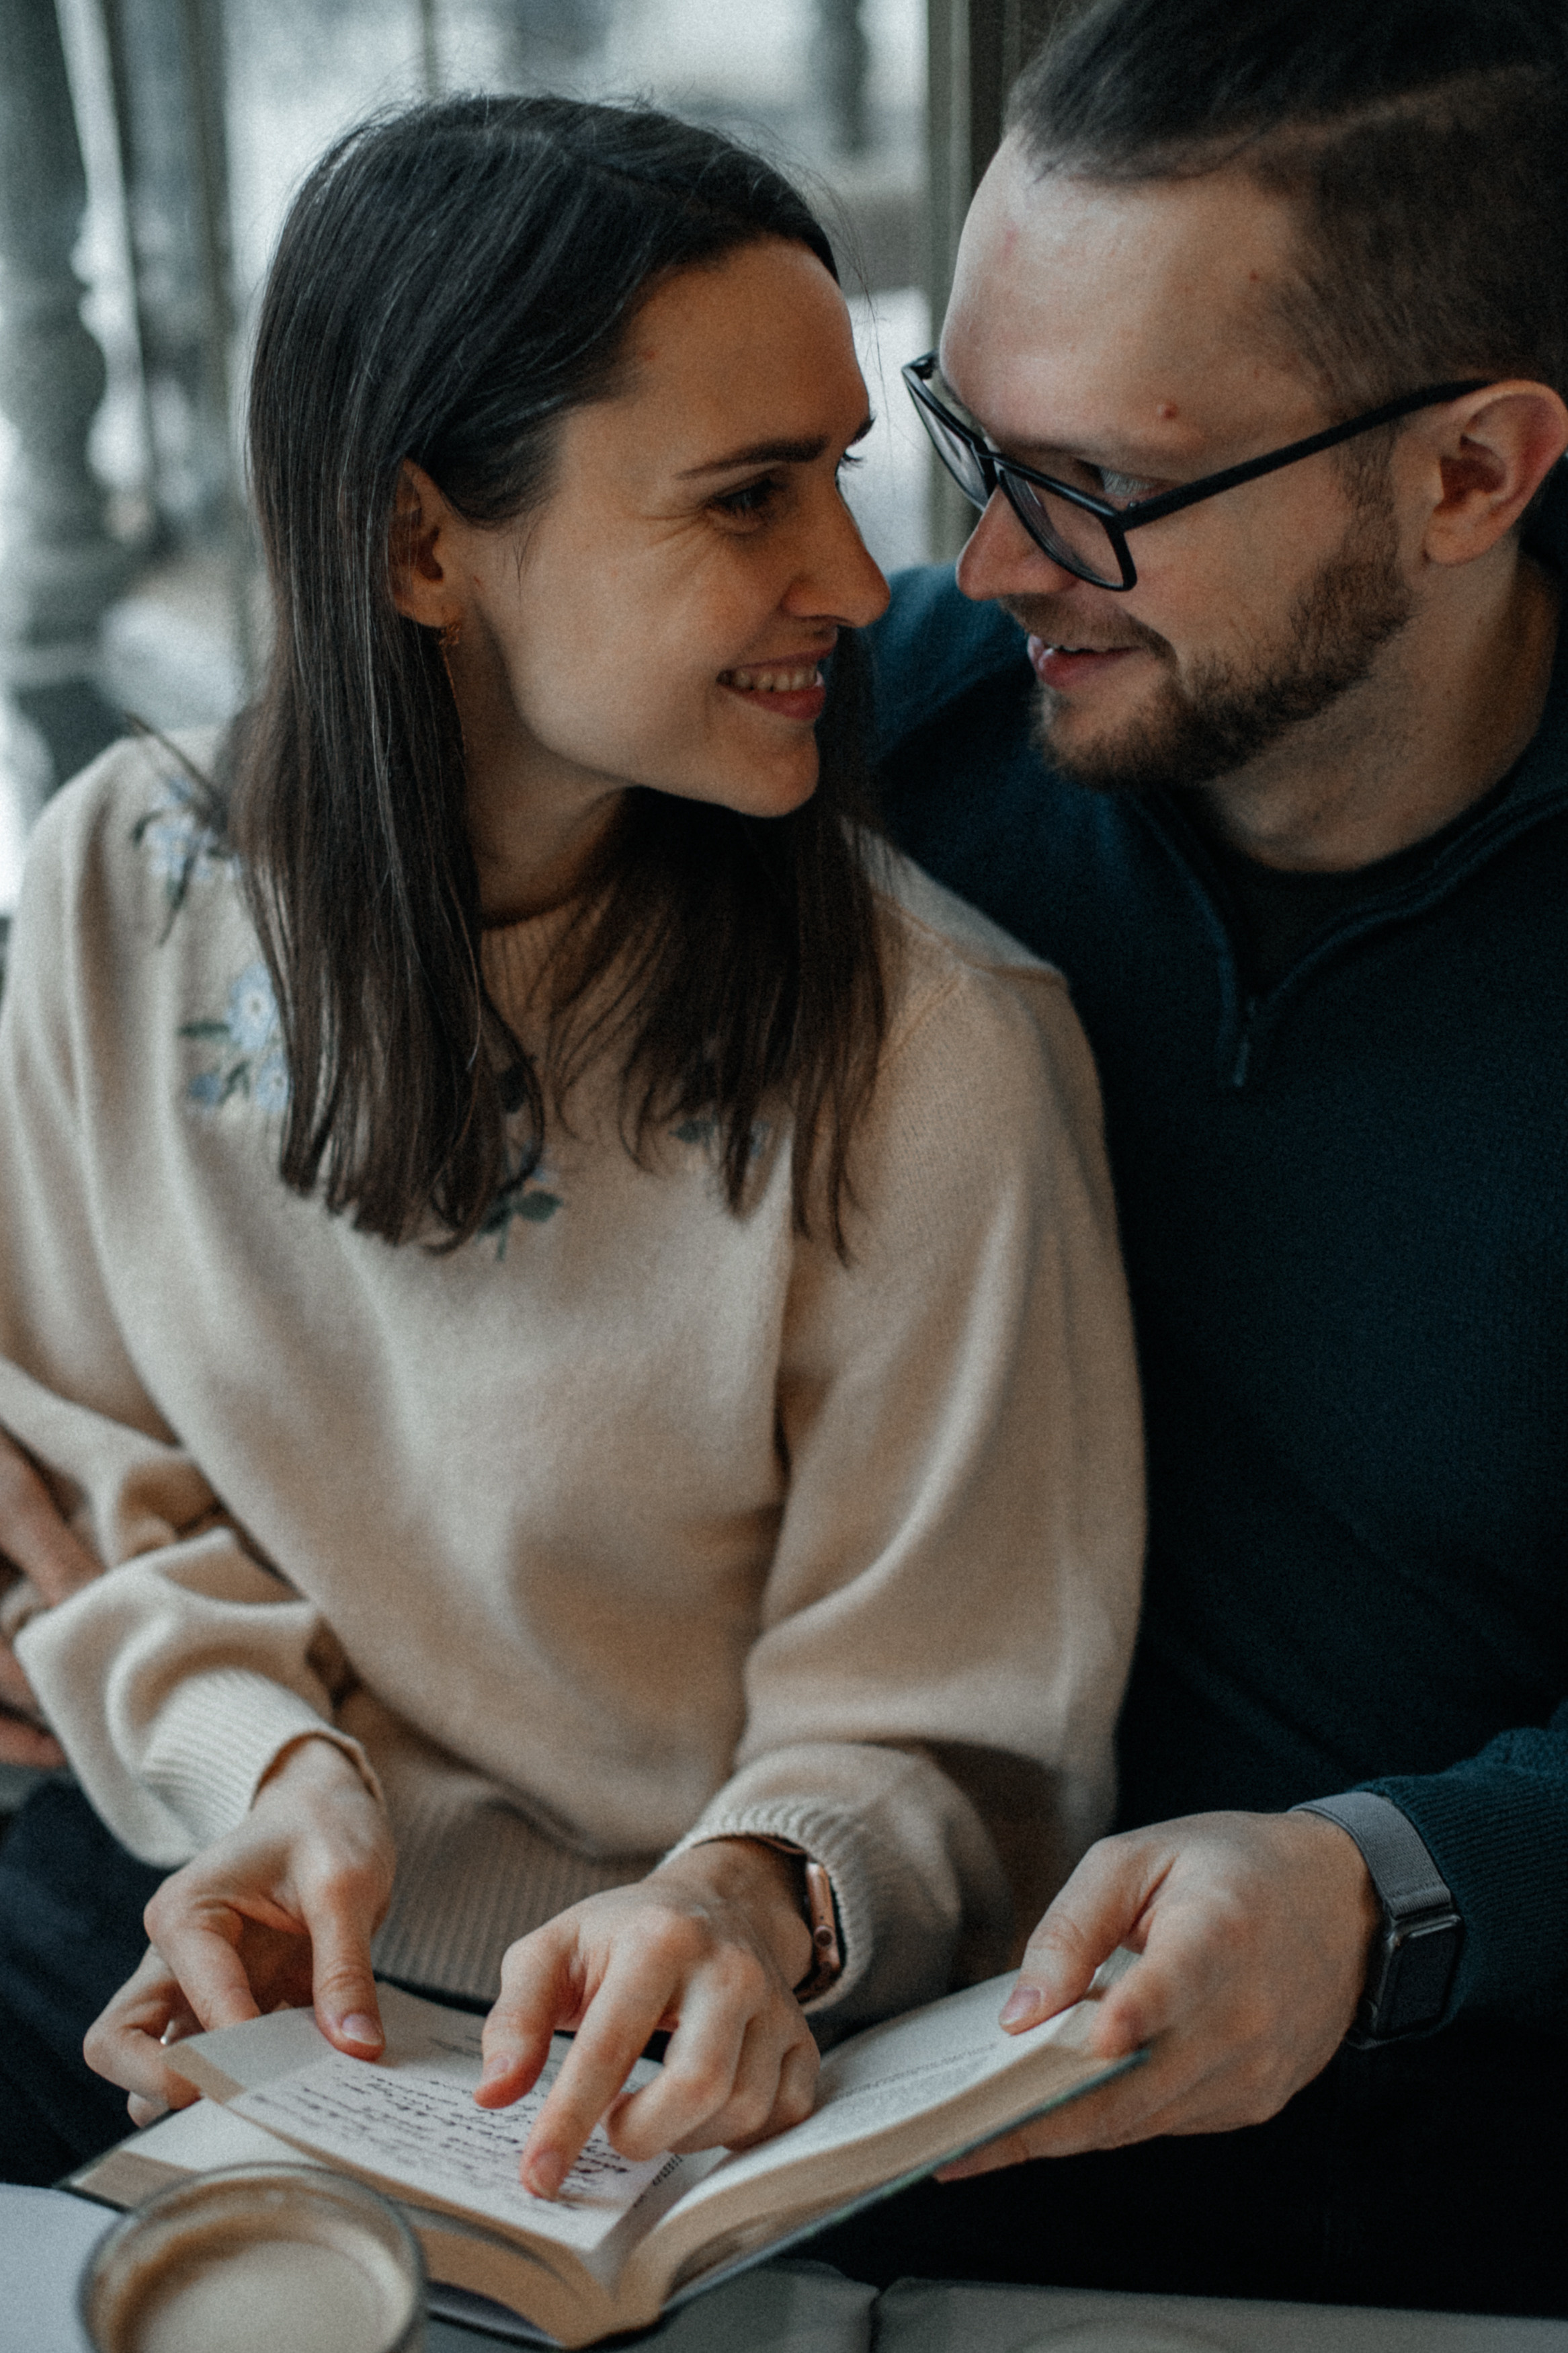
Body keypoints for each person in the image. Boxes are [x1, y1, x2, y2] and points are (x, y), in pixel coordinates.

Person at [0, 95, 1143, 2192]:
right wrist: (267, 1772)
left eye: (840, 470)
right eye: (743, 498)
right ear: (423, 543)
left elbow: (960, 1727)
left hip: (656, 2067)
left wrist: (737, 1900)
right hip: (170, 1911)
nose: (863, 580)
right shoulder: (115, 884)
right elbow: (90, 1482)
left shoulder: (940, 1052)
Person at [809, 0, 1568, 2321]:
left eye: (1097, 489)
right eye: (965, 431)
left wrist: (1397, 1884)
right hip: (835, 2134)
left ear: (1468, 475)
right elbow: (276, 886)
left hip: (1464, 2207)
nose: (978, 557)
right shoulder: (891, 723)